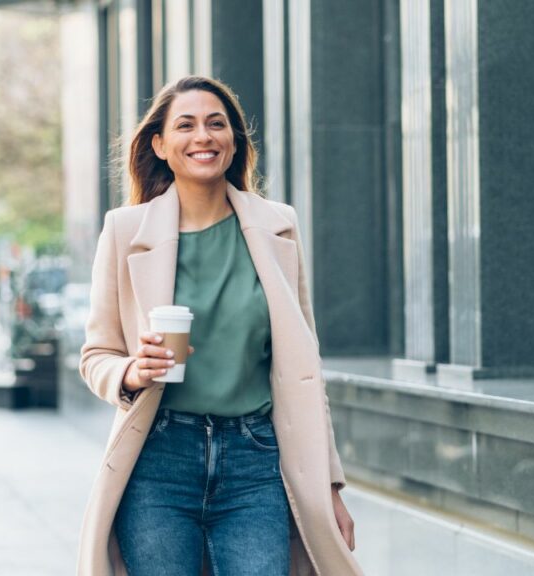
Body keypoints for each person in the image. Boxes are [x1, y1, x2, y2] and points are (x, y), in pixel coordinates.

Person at [78, 75, 361, 576]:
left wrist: (330, 488)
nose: (203, 136)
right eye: (185, 125)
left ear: (234, 141)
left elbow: (304, 372)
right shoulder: (125, 231)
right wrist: (133, 372)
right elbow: (95, 355)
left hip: (255, 463)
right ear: (160, 145)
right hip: (159, 459)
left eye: (216, 124)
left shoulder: (279, 226)